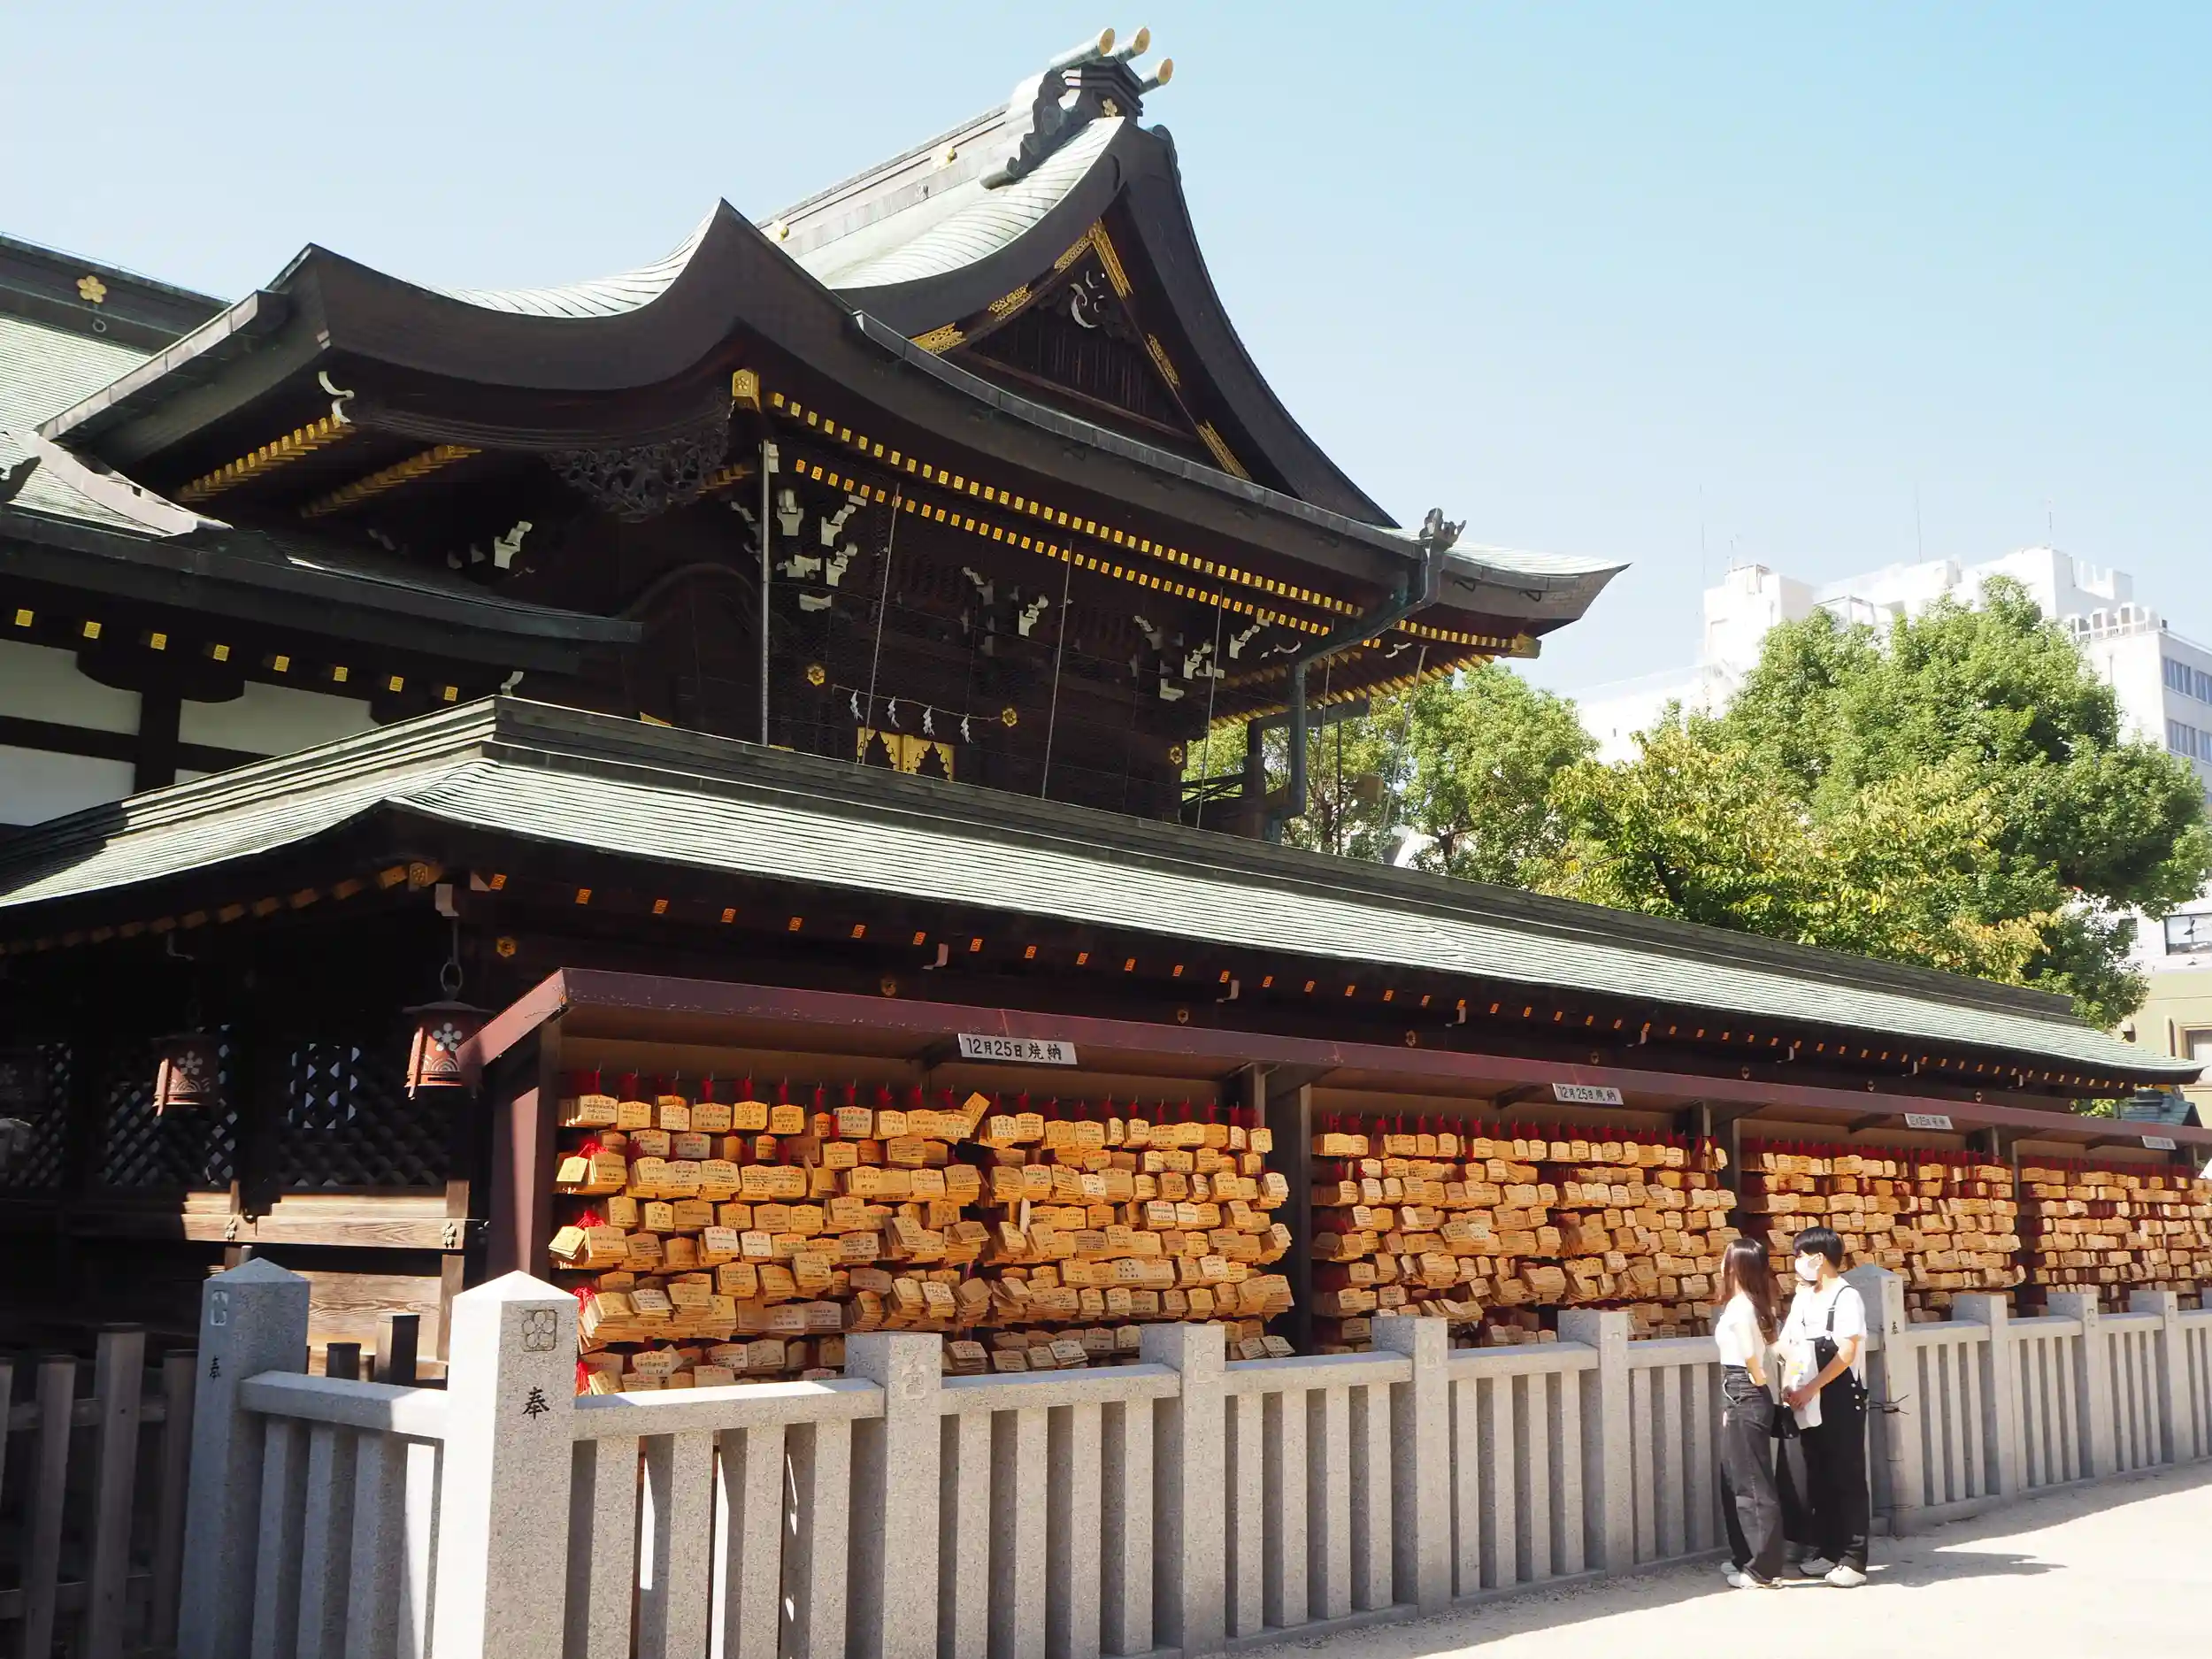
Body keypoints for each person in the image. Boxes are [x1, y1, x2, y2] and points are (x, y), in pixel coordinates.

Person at [1778, 1225, 1870, 1586]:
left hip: (1838, 1395)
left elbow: (1846, 1352)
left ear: (1819, 1258)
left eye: (1800, 1256)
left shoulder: (1846, 1297)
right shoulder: (1803, 1298)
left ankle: (1853, 1558)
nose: (1797, 1262)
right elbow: (1789, 1344)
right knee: (1818, 1474)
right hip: (1805, 1395)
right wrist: (1791, 1384)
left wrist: (1813, 1387)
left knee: (1846, 1475)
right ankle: (1828, 1550)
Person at [1713, 1236, 1786, 1588]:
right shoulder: (1751, 1304)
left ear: (1736, 1266)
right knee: (1736, 1477)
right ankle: (1746, 1557)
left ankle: (1763, 1569)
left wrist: (1757, 1377)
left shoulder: (1741, 1307)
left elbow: (1750, 1352)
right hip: (1739, 1391)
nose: (1721, 1264)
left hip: (1744, 1387)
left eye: (1726, 1258)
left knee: (1752, 1484)